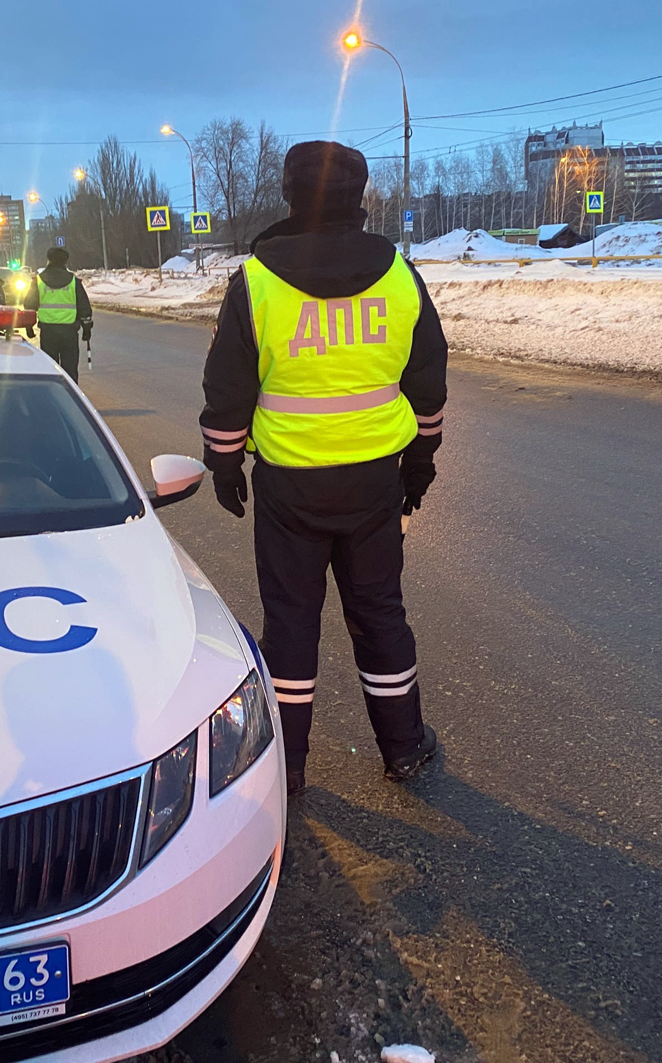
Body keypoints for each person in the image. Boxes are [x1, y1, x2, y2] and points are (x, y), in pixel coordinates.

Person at [199, 140, 448, 796]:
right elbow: (427, 381)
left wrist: (223, 462)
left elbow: (227, 387)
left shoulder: (254, 282)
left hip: (289, 486)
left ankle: (288, 767)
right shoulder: (399, 274)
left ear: (287, 194)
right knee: (380, 614)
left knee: (289, 623)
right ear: (359, 197)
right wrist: (419, 462)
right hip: (373, 481)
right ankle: (403, 748)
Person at [23, 246, 93, 381]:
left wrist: (28, 326)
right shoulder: (73, 281)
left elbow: (29, 306)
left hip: (48, 332)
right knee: (70, 369)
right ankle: (70, 397)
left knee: (50, 368)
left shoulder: (38, 280)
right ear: (65, 262)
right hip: (69, 331)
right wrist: (87, 328)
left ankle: (52, 395)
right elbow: (84, 306)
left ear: (48, 260)